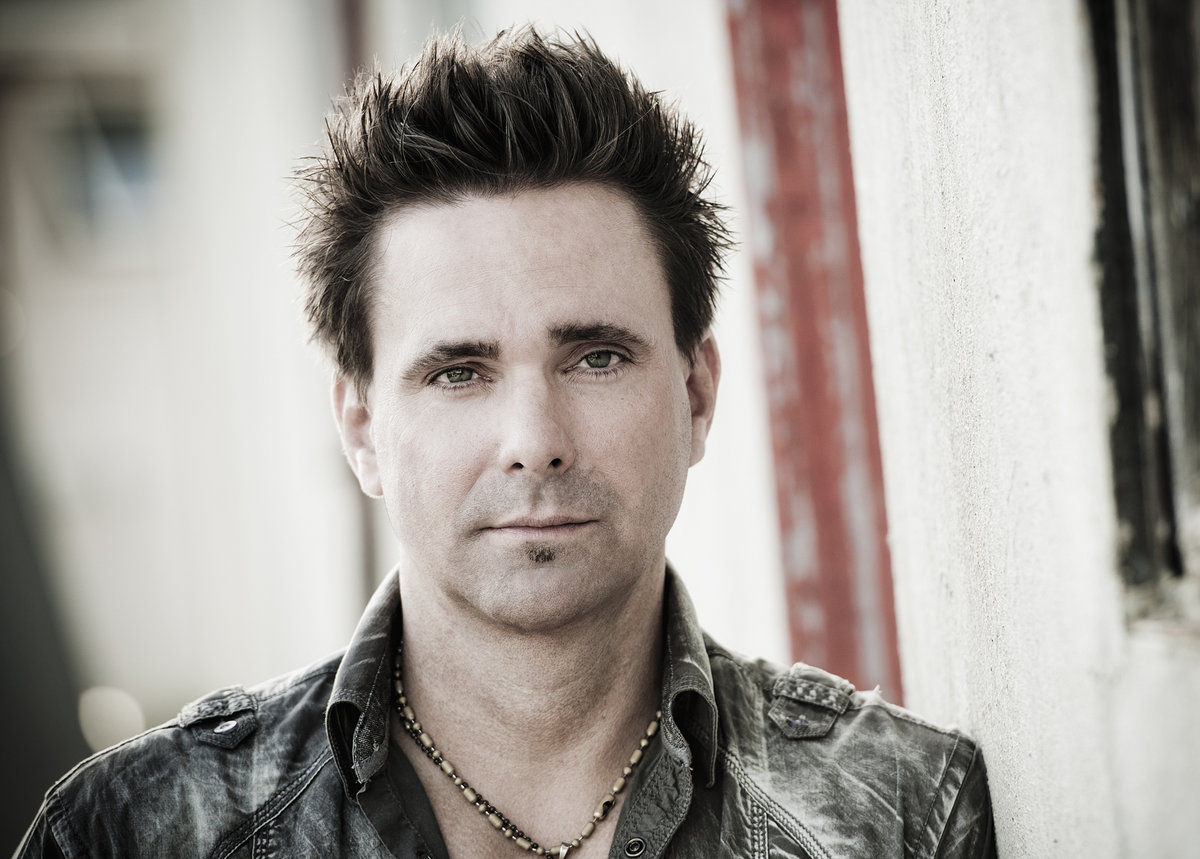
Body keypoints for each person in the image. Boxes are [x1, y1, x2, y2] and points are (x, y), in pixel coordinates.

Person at [16, 28, 996, 859]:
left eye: (596, 358)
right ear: (360, 427)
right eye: (458, 371)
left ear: (696, 394)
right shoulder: (137, 830)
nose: (534, 442)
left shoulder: (896, 814)